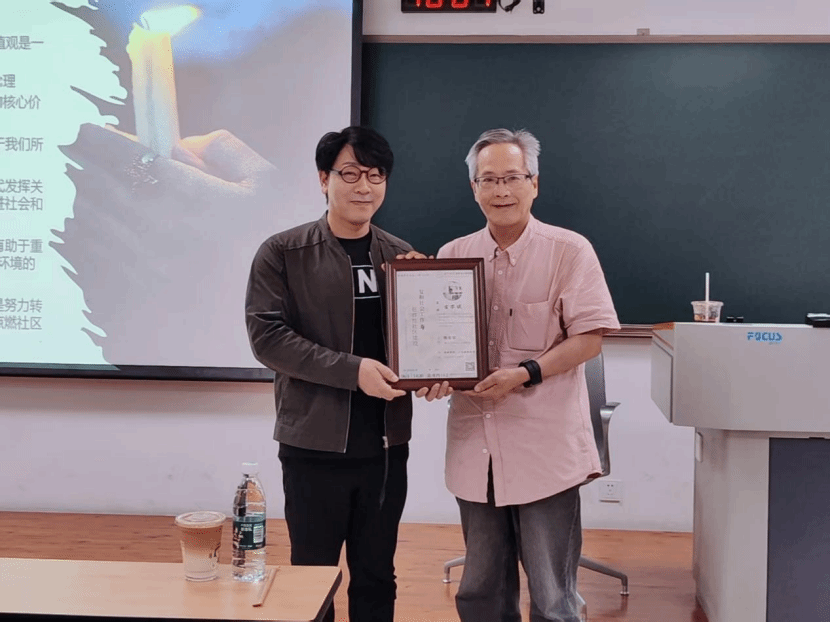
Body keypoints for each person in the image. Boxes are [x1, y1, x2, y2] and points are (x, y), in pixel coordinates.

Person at [430, 128, 620, 622]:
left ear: (534, 183)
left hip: (544, 449)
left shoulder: (569, 250)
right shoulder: (451, 256)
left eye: (512, 177)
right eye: (489, 180)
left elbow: (590, 338)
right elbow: (436, 347)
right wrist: (430, 375)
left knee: (553, 598)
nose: (501, 190)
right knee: (480, 591)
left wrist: (525, 373)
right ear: (473, 188)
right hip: (476, 448)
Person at [245, 126, 419, 622]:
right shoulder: (283, 252)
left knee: (377, 576)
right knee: (312, 577)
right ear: (324, 179)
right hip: (313, 447)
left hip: (385, 447)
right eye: (350, 174)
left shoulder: (401, 257)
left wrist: (434, 370)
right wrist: (353, 371)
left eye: (376, 175)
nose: (364, 187)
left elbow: (418, 344)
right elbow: (268, 338)